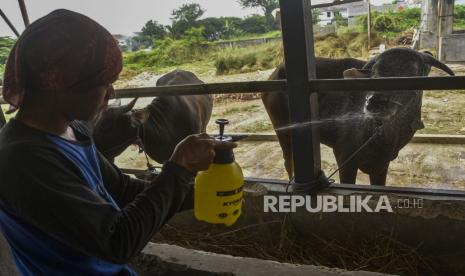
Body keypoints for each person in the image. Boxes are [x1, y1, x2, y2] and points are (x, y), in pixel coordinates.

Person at [0, 9, 236, 276]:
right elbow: (117, 242)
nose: (111, 92)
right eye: (104, 82)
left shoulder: (73, 131)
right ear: (62, 82)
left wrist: (206, 192)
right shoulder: (25, 160)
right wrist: (179, 169)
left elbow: (123, 191)